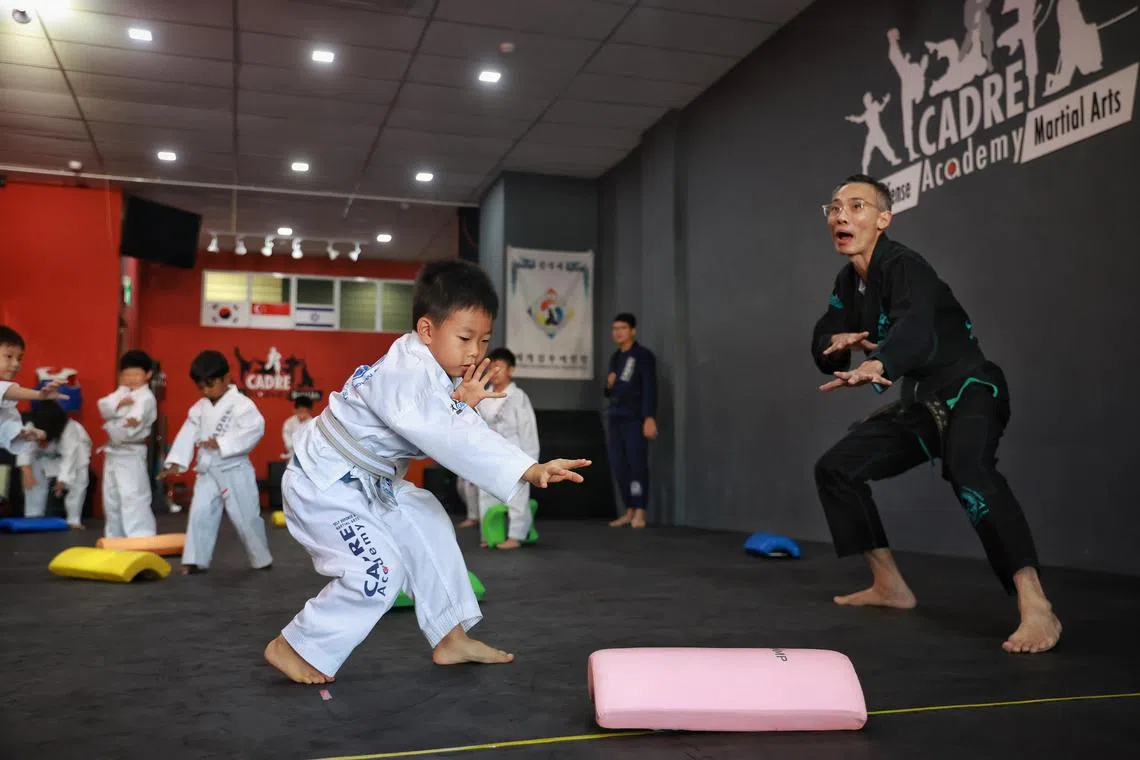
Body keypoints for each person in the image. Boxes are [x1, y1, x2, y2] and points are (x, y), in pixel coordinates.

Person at [264, 260, 591, 685]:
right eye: (465, 338)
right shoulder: (409, 371)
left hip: (369, 481)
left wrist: (462, 404)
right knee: (379, 572)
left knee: (429, 519)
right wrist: (527, 468)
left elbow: (442, 425)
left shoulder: (429, 371)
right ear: (426, 329)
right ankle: (294, 644)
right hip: (325, 484)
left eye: (484, 340)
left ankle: (450, 635)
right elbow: (445, 433)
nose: (475, 351)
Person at [810, 173, 1061, 654]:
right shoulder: (849, 283)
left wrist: (879, 363)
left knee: (969, 469)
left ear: (884, 219)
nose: (841, 214)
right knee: (835, 469)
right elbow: (829, 329)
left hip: (970, 386)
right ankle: (890, 586)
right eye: (835, 207)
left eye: (857, 206)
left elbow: (916, 329)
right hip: (922, 401)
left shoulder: (907, 266)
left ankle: (1037, 608)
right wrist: (833, 347)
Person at [159, 350, 273, 574]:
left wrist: (222, 442)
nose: (205, 391)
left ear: (227, 378)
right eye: (201, 387)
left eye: (210, 385)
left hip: (235, 469)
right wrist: (176, 461)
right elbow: (187, 433)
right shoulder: (199, 408)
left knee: (246, 518)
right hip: (208, 469)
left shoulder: (242, 405)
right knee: (200, 513)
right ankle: (195, 560)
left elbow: (255, 429)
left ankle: (261, 558)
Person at [466, 347, 541, 550]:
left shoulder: (518, 396)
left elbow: (527, 428)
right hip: (489, 450)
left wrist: (530, 461)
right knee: (486, 493)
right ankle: (490, 535)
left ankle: (516, 535)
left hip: (515, 451)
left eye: (500, 367)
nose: (495, 371)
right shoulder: (484, 394)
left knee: (517, 494)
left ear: (511, 370)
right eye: (492, 367)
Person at [604, 313, 657, 529]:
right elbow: (609, 391)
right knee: (619, 464)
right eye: (615, 328)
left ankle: (640, 510)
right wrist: (608, 385)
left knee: (636, 463)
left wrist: (649, 417)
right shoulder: (616, 357)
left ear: (633, 330)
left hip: (634, 417)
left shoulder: (643, 356)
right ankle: (629, 509)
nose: (618, 332)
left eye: (623, 328)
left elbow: (649, 387)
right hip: (615, 415)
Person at [97, 350, 158, 538]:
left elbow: (133, 421)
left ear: (148, 374)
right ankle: (114, 538)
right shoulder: (122, 392)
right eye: (126, 374)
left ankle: (141, 537)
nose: (131, 379)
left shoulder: (146, 397)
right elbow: (103, 406)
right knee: (111, 498)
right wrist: (118, 406)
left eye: (136, 374)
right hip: (114, 451)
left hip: (132, 451)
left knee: (133, 496)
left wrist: (118, 417)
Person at [17, 400, 91, 529]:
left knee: (77, 481)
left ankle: (73, 520)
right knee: (31, 476)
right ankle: (33, 515)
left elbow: (70, 457)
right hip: (45, 457)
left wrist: (62, 480)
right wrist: (27, 471)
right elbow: (23, 449)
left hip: (76, 455)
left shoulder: (70, 428)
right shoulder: (32, 425)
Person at [0, 326, 65, 454]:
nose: (16, 364)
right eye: (9, 356)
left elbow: (4, 429)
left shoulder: (6, 408)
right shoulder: (6, 391)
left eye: (19, 358)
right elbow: (6, 391)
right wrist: (39, 395)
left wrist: (22, 434)